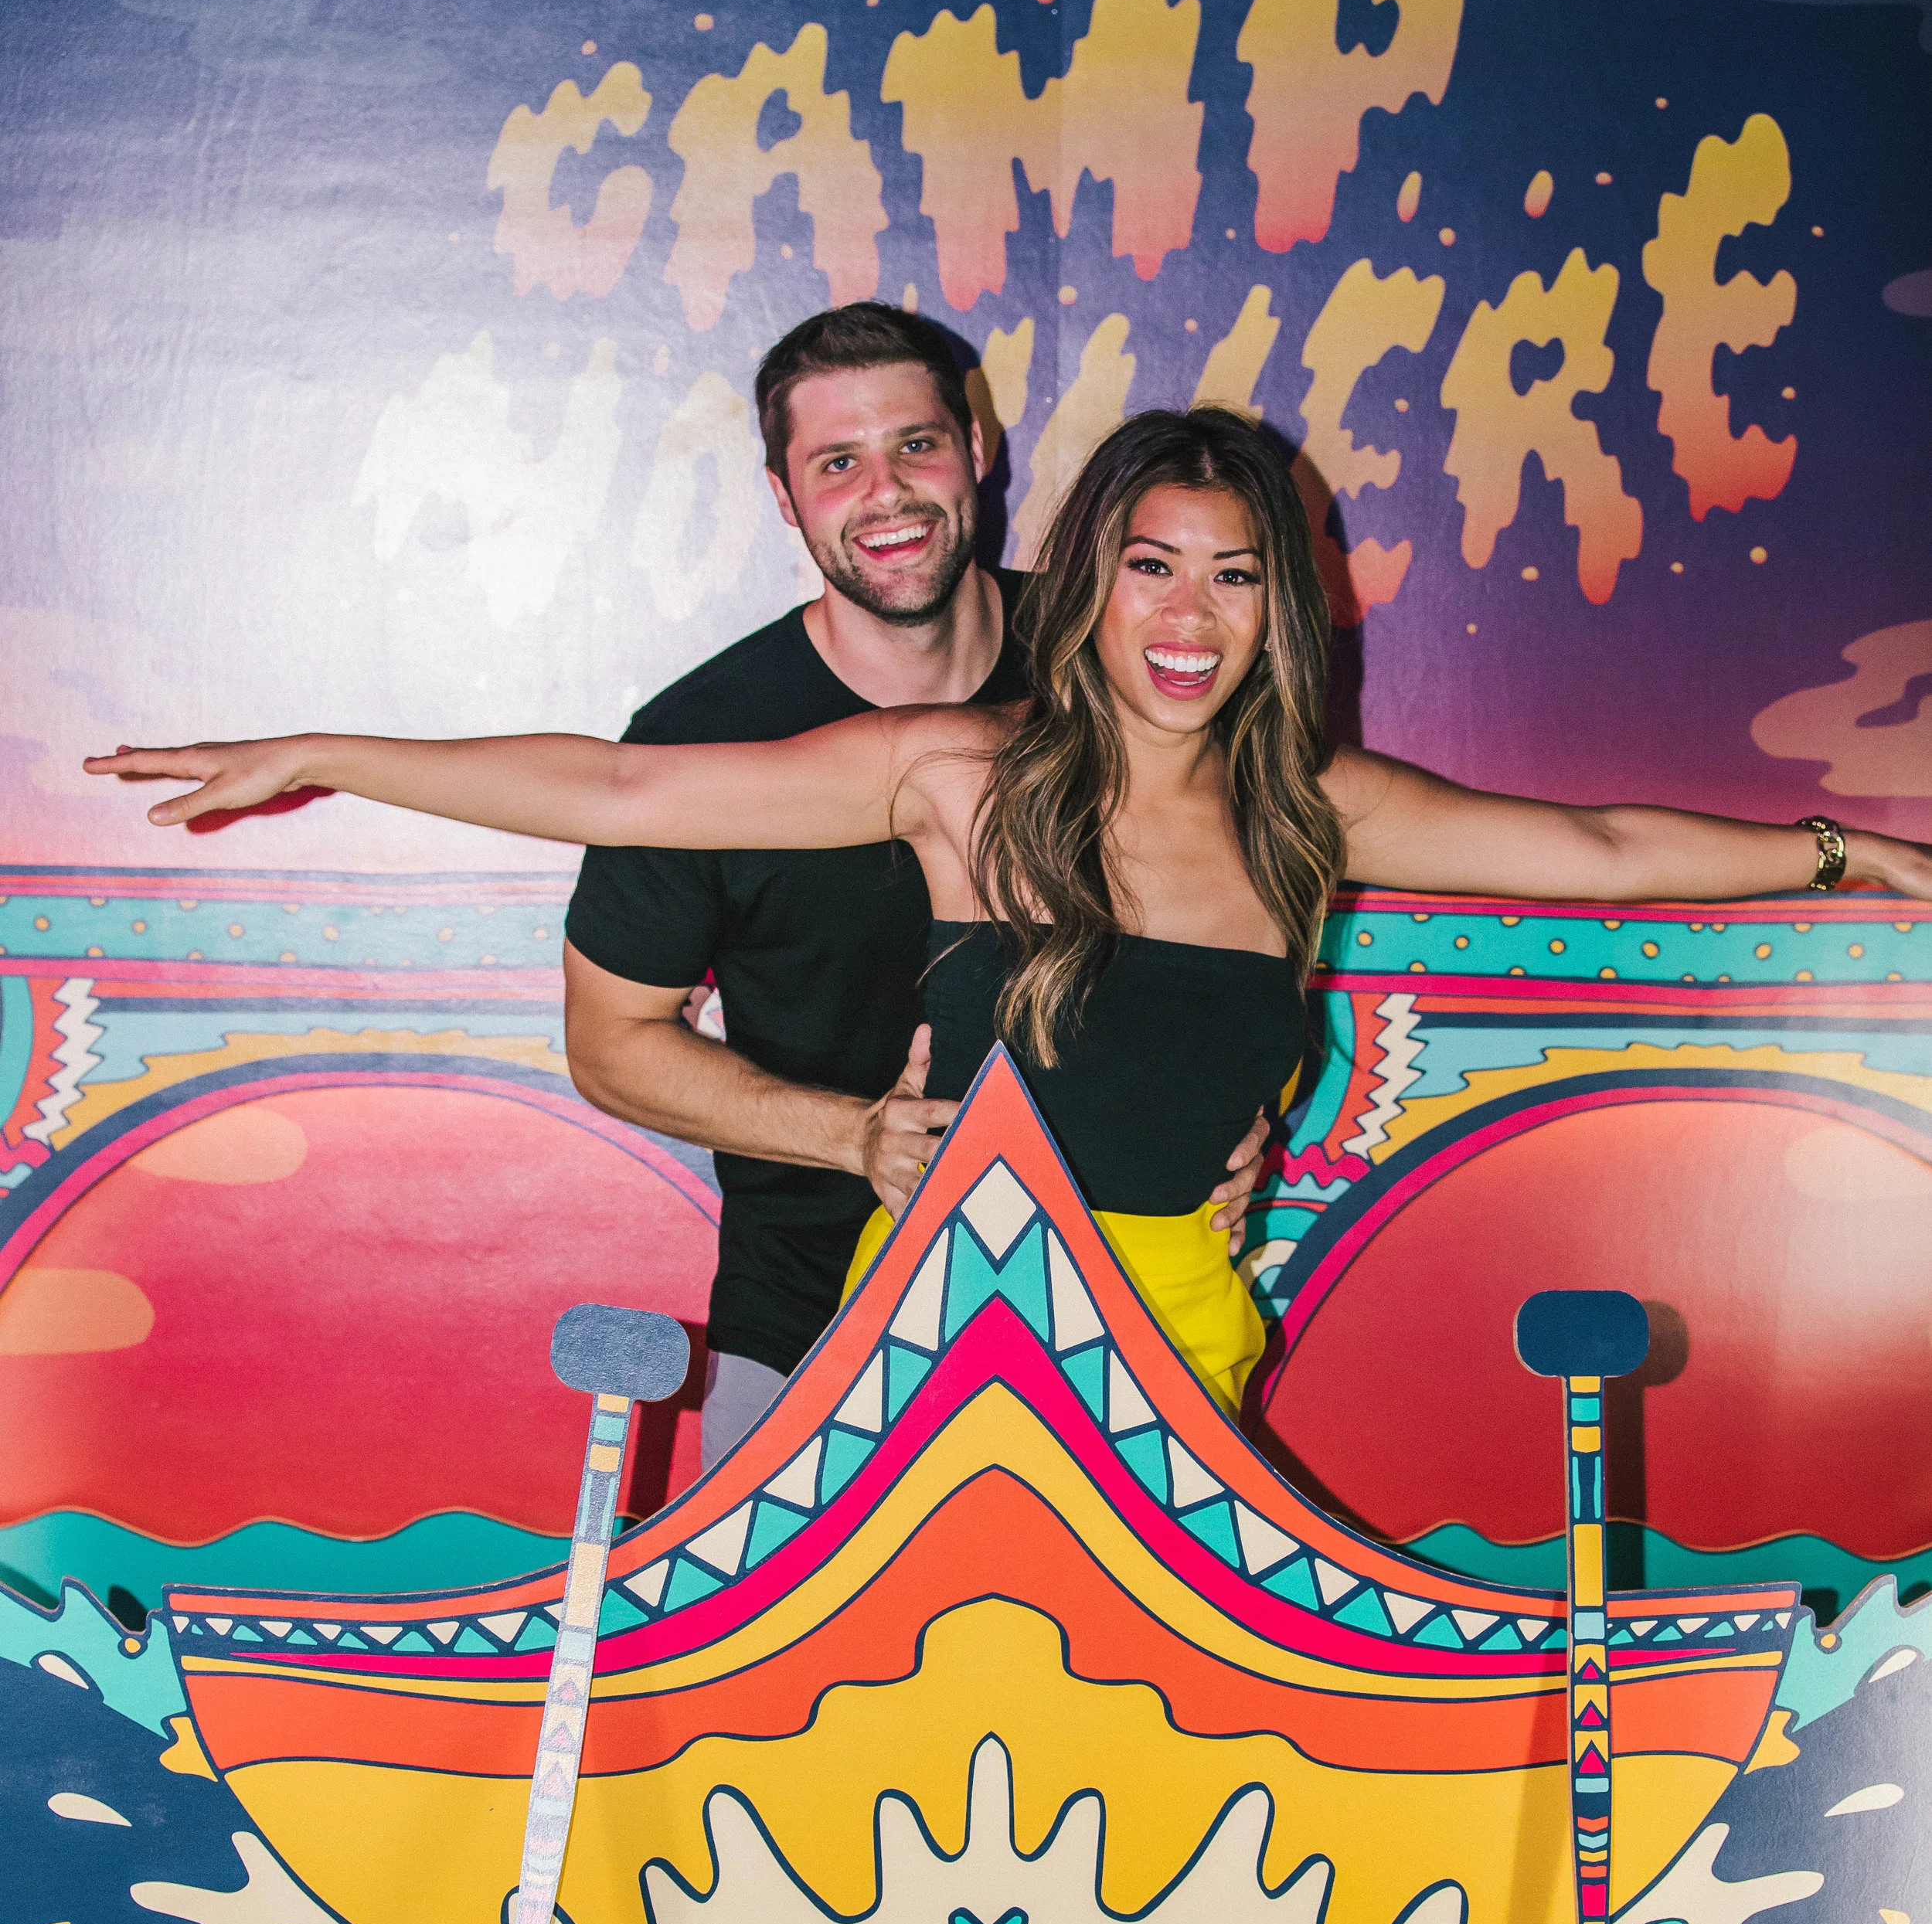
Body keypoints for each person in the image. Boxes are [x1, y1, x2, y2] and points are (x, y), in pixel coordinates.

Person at [88, 405, 1932, 1418]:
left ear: (1280, 607)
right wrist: (331, 749)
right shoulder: (961, 773)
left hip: (1188, 1326)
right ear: (1090, 587)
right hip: (951, 1319)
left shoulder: (1311, 811)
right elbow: (628, 789)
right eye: (1148, 566)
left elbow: (1603, 848)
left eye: (1233, 574)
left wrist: (1854, 862)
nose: (1187, 613)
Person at [560, 304, 1265, 1461]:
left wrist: (1218, 1108)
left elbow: (1238, 889)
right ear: (786, 498)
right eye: (838, 463)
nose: (885, 491)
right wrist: (857, 1137)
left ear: (979, 448)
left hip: (1120, 1342)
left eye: (917, 446)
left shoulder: (1134, 656)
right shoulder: (707, 734)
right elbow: (610, 1043)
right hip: (806, 1329)